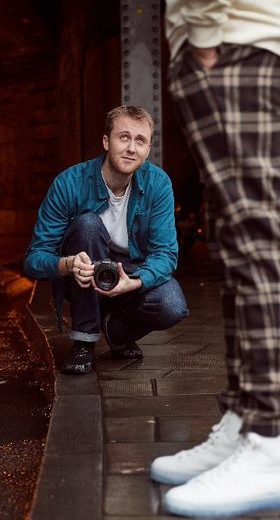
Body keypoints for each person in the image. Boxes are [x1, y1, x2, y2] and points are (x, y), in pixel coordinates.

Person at [150, 0, 280, 518]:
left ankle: (271, 443)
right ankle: (246, 423)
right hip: (232, 34)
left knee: (257, 239)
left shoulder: (221, 36)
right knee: (237, 244)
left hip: (231, 37)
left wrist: (201, 31)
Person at [24, 105, 188, 374]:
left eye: (140, 141)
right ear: (106, 142)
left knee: (172, 305)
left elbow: (166, 254)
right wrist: (67, 264)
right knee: (87, 224)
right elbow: (33, 258)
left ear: (147, 149)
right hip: (82, 276)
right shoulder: (69, 183)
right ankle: (84, 341)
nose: (131, 148)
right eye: (123, 137)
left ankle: (117, 332)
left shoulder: (158, 183)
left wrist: (134, 282)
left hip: (129, 274)